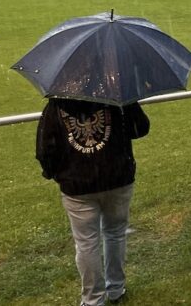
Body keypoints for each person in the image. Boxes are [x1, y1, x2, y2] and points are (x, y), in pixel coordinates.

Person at [37, 98, 148, 306]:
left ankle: (93, 299)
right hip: (116, 178)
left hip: (79, 185)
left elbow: (45, 149)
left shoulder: (56, 105)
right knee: (115, 234)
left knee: (87, 242)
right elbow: (140, 128)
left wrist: (57, 174)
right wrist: (129, 102)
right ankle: (116, 288)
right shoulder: (116, 96)